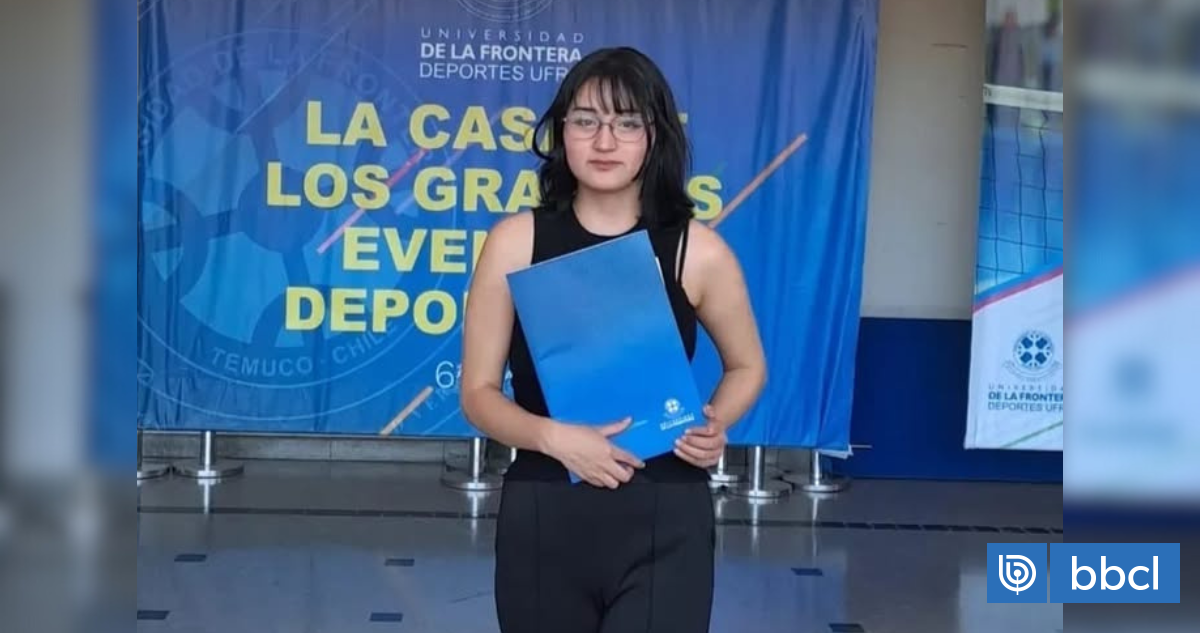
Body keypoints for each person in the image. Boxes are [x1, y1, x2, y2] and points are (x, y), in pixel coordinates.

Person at [459, 46, 767, 633]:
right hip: (546, 509)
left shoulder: (697, 251)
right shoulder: (515, 243)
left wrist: (714, 423)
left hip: (665, 513)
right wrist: (554, 438)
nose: (605, 141)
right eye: (586, 121)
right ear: (561, 132)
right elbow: (477, 394)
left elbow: (747, 366)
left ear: (655, 137)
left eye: (627, 123)